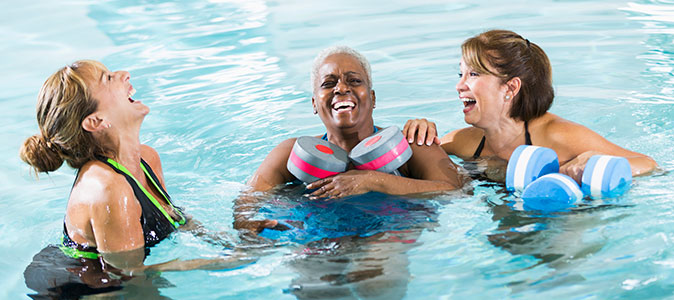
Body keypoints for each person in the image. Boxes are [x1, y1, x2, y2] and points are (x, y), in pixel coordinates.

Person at [20, 60, 247, 298]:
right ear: (96, 121)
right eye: (107, 79)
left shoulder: (147, 158)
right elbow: (130, 278)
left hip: (116, 278)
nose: (124, 74)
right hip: (80, 287)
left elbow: (175, 218)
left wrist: (238, 244)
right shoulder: (107, 189)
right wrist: (215, 262)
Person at [235, 46, 465, 234]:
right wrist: (245, 223)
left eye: (354, 81)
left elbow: (454, 190)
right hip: (318, 235)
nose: (341, 88)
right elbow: (249, 196)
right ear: (314, 103)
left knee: (372, 272)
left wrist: (373, 181)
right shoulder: (289, 153)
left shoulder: (411, 144)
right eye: (328, 83)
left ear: (372, 98)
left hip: (391, 232)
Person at [403, 29, 657, 182]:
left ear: (511, 88)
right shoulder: (464, 142)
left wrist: (596, 161)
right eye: (460, 75)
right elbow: (408, 164)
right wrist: (418, 132)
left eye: (474, 75)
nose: (460, 86)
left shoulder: (556, 134)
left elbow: (649, 165)